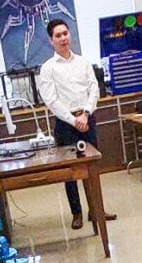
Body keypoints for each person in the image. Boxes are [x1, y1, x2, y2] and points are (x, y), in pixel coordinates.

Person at [38, 19, 118, 230]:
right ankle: (77, 213)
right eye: (58, 35)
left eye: (65, 33)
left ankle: (96, 210)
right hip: (66, 124)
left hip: (87, 119)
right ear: (51, 40)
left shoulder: (83, 62)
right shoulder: (48, 69)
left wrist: (86, 114)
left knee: (92, 167)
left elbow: (94, 90)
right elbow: (51, 101)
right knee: (70, 172)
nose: (63, 38)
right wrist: (74, 120)